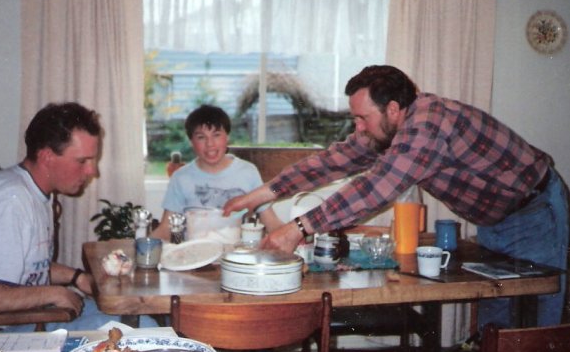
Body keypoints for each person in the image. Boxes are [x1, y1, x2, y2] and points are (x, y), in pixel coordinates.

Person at [223, 65, 569, 329]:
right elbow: (335, 160)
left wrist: (298, 227)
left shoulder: (428, 125)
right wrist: (263, 193)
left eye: (362, 118)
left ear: (392, 109)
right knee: (497, 320)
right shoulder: (393, 126)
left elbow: (376, 187)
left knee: (537, 325)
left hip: (535, 212)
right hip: (497, 220)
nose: (358, 127)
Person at [0, 102, 157, 332]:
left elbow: (24, 266)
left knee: (136, 318)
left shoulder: (34, 193)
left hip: (26, 316)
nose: (92, 171)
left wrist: (77, 278)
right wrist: (53, 293)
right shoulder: (7, 202)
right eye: (82, 161)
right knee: (137, 330)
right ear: (47, 157)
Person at [151, 104, 283, 242]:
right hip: (194, 252)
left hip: (236, 253)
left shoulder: (248, 172)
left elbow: (271, 222)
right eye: (201, 137)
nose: (210, 144)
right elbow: (165, 229)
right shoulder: (180, 177)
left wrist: (294, 235)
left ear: (227, 137)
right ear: (191, 142)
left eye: (216, 135)